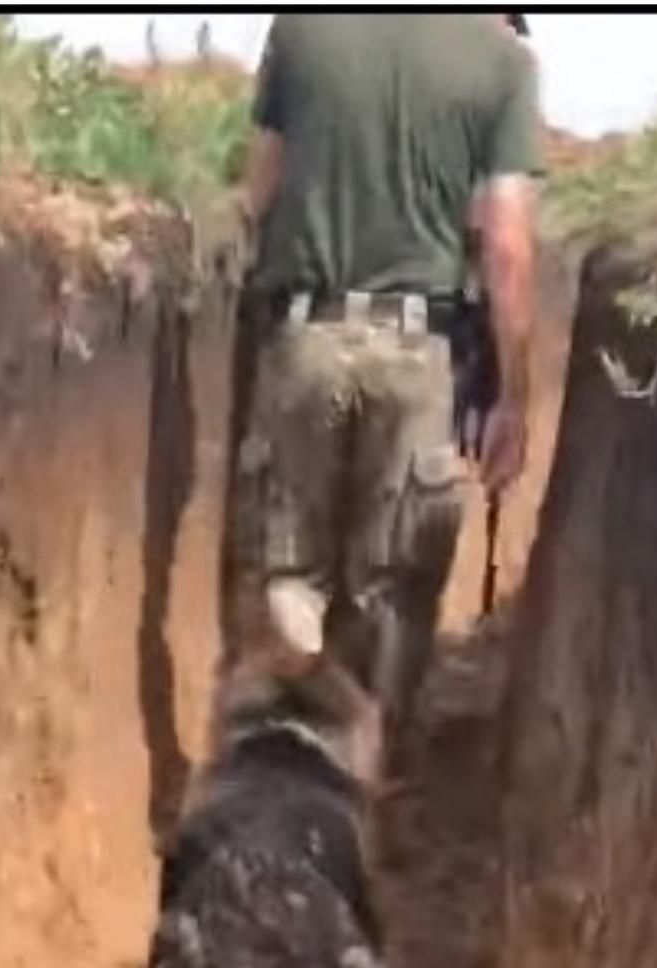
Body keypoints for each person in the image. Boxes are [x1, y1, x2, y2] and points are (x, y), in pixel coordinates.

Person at [227, 12, 541, 752]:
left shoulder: (301, 27)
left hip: (305, 338)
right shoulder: (502, 60)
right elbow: (506, 246)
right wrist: (513, 398)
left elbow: (256, 194)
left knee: (290, 573)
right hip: (419, 355)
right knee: (392, 592)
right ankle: (365, 770)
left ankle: (281, 756)